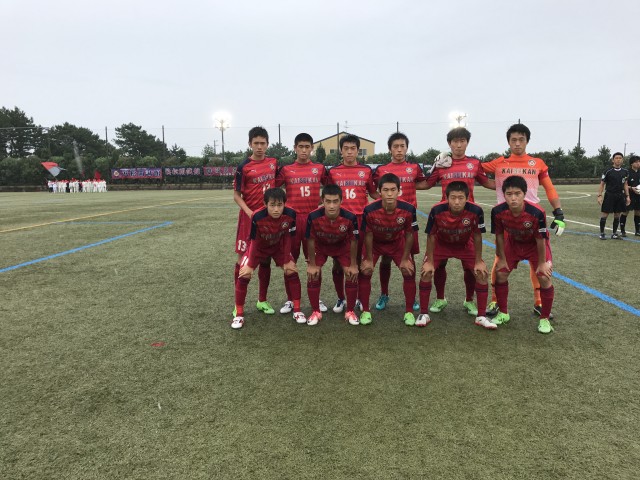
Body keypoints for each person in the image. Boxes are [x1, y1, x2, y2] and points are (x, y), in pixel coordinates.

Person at [481, 123, 564, 318]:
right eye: (513, 140)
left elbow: (549, 187)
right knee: (500, 261)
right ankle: (495, 301)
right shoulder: (499, 163)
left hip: (533, 220)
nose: (517, 143)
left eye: (521, 140)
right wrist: (449, 159)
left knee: (538, 265)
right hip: (507, 221)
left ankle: (539, 302)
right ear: (508, 142)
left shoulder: (537, 163)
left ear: (527, 141)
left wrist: (558, 211)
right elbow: (477, 172)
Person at [423, 127, 495, 316]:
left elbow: (487, 183)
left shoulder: (474, 164)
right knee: (440, 263)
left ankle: (469, 300)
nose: (458, 145)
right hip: (443, 219)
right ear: (449, 143)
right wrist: (402, 182)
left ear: (467, 143)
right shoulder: (442, 164)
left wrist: (513, 183)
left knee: (469, 266)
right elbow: (427, 183)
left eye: (462, 141)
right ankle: (440, 298)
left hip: (468, 219)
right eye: (455, 141)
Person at [418, 181, 494, 329]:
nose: (457, 202)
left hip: (465, 244)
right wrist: (430, 261)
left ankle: (480, 315)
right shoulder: (436, 210)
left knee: (481, 272)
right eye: (453, 198)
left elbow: (477, 235)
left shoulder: (476, 211)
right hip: (441, 244)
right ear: (447, 198)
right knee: (426, 271)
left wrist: (479, 260)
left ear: (467, 198)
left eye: (461, 198)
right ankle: (424, 313)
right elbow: (431, 235)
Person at [491, 175, 555, 334]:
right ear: (504, 195)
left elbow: (541, 239)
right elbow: (499, 235)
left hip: (535, 245)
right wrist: (501, 258)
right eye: (509, 194)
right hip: (514, 243)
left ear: (524, 194)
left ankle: (545, 319)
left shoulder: (537, 212)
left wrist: (542, 263)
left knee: (544, 276)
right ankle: (503, 313)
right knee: (500, 273)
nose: (513, 198)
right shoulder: (497, 211)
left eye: (517, 193)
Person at [232, 188, 304, 329]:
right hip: (258, 248)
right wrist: (250, 265)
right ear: (265, 204)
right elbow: (254, 241)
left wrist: (286, 260)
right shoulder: (257, 216)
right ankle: (239, 314)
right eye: (272, 205)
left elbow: (287, 237)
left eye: (280, 205)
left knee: (292, 271)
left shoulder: (291, 214)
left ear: (285, 204)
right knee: (244, 274)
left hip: (278, 247)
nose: (276, 209)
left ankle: (297, 310)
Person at [372, 132, 427, 312]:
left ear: (407, 148)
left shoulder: (414, 168)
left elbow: (424, 183)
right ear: (390, 149)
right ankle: (384, 293)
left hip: (408, 220)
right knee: (386, 258)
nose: (399, 150)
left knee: (409, 259)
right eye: (395, 146)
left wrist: (439, 169)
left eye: (402, 146)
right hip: (388, 221)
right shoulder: (381, 170)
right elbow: (373, 189)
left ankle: (412, 297)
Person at [275, 133, 329, 314]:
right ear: (295, 148)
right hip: (292, 220)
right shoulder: (286, 170)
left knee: (314, 261)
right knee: (289, 260)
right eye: (301, 147)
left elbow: (331, 188)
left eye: (307, 147)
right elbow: (272, 187)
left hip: (313, 219)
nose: (304, 150)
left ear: (312, 148)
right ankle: (291, 299)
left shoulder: (319, 168)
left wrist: (321, 203)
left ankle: (316, 297)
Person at [327, 134, 379, 313]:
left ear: (358, 151)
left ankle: (358, 297)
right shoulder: (333, 172)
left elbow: (373, 193)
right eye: (346, 148)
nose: (349, 152)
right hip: (339, 221)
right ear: (341, 151)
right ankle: (341, 298)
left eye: (353, 148)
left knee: (359, 261)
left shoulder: (366, 170)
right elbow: (329, 195)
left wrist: (391, 199)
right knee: (338, 261)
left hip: (361, 221)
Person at [359, 173, 418, 326]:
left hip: (397, 243)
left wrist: (405, 259)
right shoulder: (370, 209)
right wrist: (368, 259)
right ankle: (366, 310)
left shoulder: (408, 209)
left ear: (399, 191)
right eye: (385, 190)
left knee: (408, 270)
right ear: (379, 191)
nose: (390, 194)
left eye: (393, 190)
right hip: (376, 243)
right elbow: (368, 235)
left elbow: (409, 234)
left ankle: (409, 311)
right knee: (365, 271)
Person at [233, 126, 277, 315]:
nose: (259, 147)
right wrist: (250, 212)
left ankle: (262, 300)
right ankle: (237, 305)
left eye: (263, 143)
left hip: (268, 220)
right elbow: (236, 195)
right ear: (249, 144)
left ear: (268, 144)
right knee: (242, 261)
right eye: (256, 143)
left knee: (265, 259)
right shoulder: (243, 167)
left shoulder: (274, 163)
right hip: (248, 219)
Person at [305, 184, 360, 326]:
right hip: (321, 247)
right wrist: (312, 264)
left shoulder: (350, 217)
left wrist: (353, 264)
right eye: (328, 201)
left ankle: (350, 311)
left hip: (341, 246)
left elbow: (354, 241)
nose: (331, 205)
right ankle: (315, 311)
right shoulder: (313, 216)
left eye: (335, 201)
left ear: (341, 201)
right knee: (313, 273)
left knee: (351, 272)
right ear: (322, 200)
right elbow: (310, 240)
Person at [597, 152, 631, 239]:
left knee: (617, 215)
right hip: (610, 195)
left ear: (622, 160)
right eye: (616, 158)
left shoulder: (625, 172)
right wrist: (599, 195)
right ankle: (602, 233)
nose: (618, 160)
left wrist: (627, 196)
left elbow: (625, 184)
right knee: (605, 214)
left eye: (620, 158)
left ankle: (614, 233)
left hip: (620, 195)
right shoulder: (608, 171)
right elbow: (602, 184)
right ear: (613, 160)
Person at [621, 155, 640, 236]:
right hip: (629, 195)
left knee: (638, 212)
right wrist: (632, 188)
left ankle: (637, 231)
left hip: (638, 196)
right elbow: (623, 185)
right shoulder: (627, 172)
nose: (638, 163)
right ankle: (622, 231)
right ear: (631, 163)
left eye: (639, 162)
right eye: (636, 162)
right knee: (625, 212)